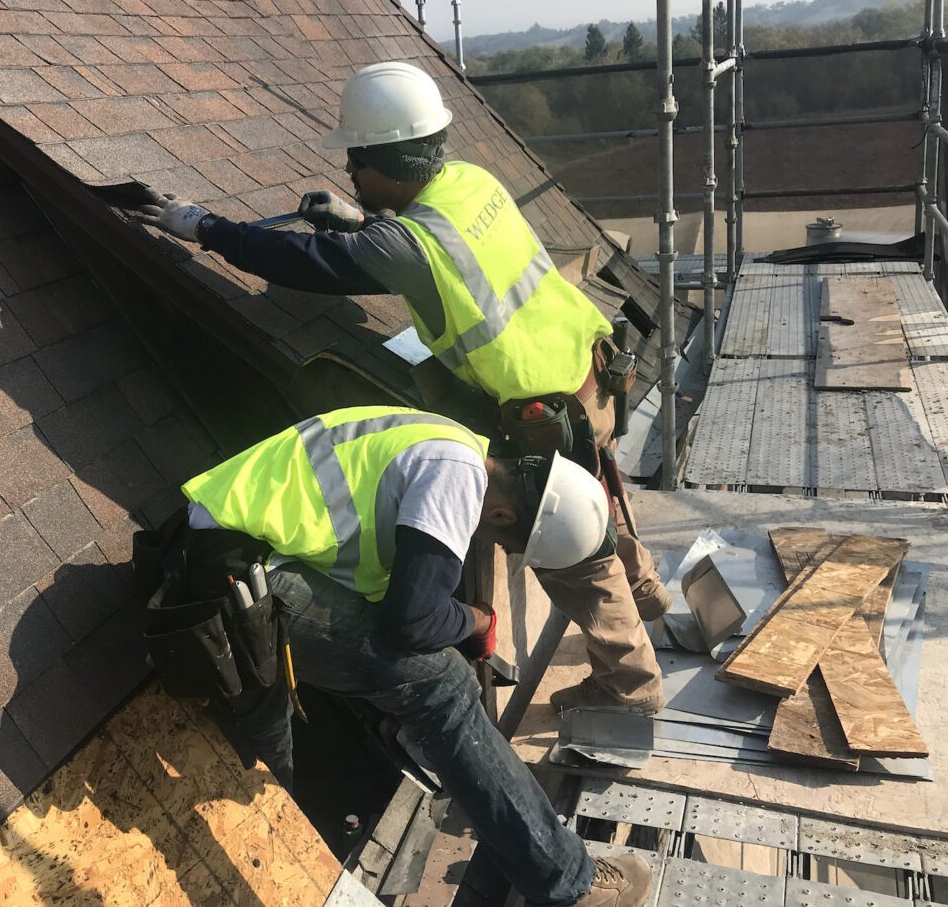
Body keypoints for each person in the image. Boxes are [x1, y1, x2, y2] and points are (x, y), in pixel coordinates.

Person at [142, 61, 665, 713]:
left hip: (549, 421)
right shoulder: (469, 181)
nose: (350, 177)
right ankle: (649, 592)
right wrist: (360, 224)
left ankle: (632, 691)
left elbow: (302, 262)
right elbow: (429, 249)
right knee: (601, 501)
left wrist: (205, 228)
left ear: (386, 162)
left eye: (355, 164)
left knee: (576, 559)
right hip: (593, 372)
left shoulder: (409, 241)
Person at [171, 405, 653, 907]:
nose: (489, 542)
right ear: (505, 514)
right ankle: (570, 884)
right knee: (442, 685)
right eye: (504, 540)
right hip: (243, 574)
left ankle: (284, 843)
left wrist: (454, 620)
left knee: (274, 744)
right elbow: (412, 621)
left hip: (238, 552)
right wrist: (478, 620)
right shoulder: (456, 479)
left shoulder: (456, 442)